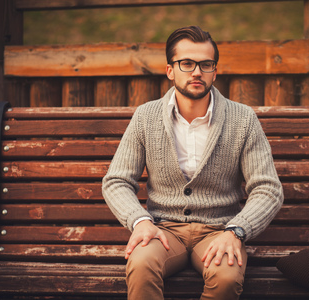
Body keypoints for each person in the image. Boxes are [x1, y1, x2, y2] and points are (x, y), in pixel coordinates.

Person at [102, 25, 283, 300]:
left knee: (226, 277)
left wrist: (236, 230)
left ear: (215, 71)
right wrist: (139, 221)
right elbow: (117, 181)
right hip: (163, 231)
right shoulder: (145, 117)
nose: (197, 72)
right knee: (140, 263)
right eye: (186, 63)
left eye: (206, 64)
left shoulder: (243, 119)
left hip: (219, 230)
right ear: (170, 70)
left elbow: (268, 189)